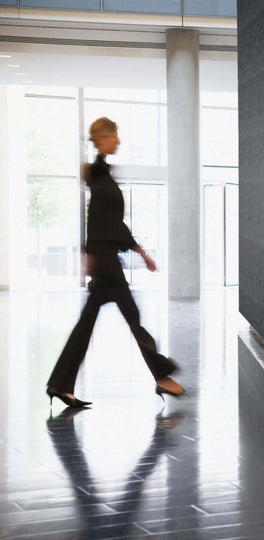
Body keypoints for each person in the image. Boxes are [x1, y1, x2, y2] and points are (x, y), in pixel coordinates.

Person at [46, 117, 183, 407]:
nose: (119, 141)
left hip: (108, 260)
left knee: (87, 326)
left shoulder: (101, 174)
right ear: (103, 138)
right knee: (133, 319)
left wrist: (138, 251)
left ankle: (59, 385)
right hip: (108, 264)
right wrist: (106, 256)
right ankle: (161, 376)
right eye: (115, 136)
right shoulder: (98, 174)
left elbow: (110, 222)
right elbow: (99, 221)